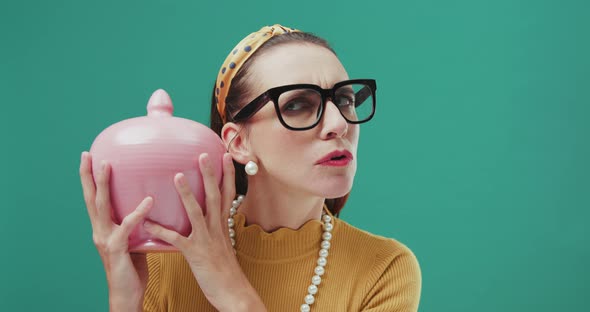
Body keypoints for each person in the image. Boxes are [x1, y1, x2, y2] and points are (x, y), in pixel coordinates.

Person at [79, 24, 421, 312]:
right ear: (238, 143)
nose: (338, 123)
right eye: (298, 104)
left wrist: (234, 295)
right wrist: (124, 300)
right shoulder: (164, 261)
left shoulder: (384, 269)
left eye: (344, 99)